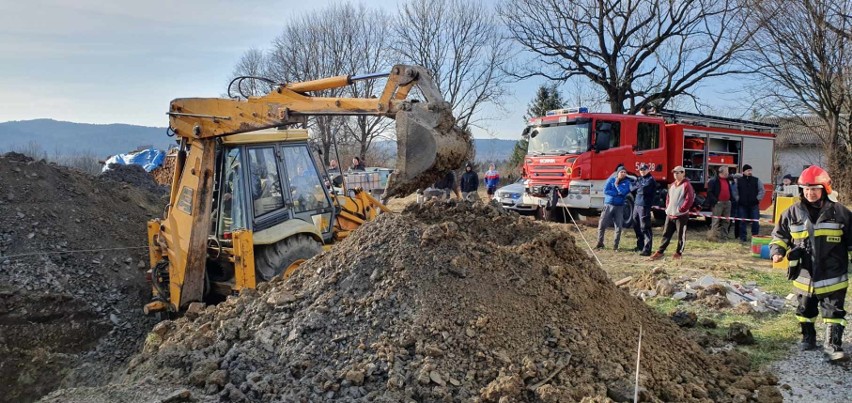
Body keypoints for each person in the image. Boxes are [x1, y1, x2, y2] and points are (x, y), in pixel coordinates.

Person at [769, 166, 851, 362]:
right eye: (806, 188)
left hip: (833, 272)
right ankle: (808, 337)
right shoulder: (792, 213)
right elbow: (779, 236)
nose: (809, 192)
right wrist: (777, 252)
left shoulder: (840, 213)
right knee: (805, 309)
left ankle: (833, 345)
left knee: (833, 310)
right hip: (805, 273)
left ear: (824, 189)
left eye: (814, 188)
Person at [650, 166, 695, 260]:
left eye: (678, 172)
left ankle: (679, 253)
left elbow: (689, 199)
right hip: (670, 214)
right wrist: (668, 208)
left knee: (680, 235)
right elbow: (668, 197)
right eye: (674, 172)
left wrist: (682, 209)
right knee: (666, 234)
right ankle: (660, 251)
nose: (675, 174)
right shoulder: (672, 185)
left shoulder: (687, 185)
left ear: (683, 173)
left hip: (681, 216)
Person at [595, 166, 631, 250]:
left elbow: (623, 192)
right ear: (618, 173)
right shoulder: (611, 180)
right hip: (608, 205)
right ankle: (600, 243)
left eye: (624, 172)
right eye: (621, 172)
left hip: (619, 206)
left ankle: (615, 245)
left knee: (618, 226)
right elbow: (605, 191)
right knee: (602, 224)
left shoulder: (627, 182)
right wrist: (616, 193)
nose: (623, 173)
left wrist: (616, 185)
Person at [705, 166, 738, 241]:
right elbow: (709, 192)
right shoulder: (713, 181)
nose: (728, 173)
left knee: (726, 221)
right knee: (716, 220)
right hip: (718, 204)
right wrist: (716, 201)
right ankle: (713, 237)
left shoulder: (727, 180)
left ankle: (724, 236)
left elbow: (729, 190)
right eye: (727, 171)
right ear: (721, 172)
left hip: (727, 203)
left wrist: (731, 200)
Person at [631, 164, 657, 256]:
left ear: (648, 170)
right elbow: (632, 188)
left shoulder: (650, 180)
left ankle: (647, 249)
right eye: (641, 170)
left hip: (644, 206)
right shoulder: (639, 179)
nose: (642, 171)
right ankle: (640, 246)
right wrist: (638, 186)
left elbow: (643, 190)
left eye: (644, 169)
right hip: (636, 204)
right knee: (636, 225)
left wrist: (638, 186)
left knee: (645, 227)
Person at [735, 164, 765, 243]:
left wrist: (757, 199)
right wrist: (738, 199)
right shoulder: (739, 181)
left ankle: (755, 236)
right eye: (748, 170)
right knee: (742, 221)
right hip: (742, 205)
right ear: (743, 171)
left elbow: (762, 190)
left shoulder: (756, 180)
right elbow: (735, 191)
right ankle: (742, 237)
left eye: (750, 170)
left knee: (755, 221)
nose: (750, 172)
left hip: (754, 205)